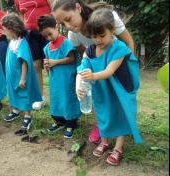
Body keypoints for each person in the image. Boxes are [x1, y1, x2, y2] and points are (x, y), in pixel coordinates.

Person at [52, 0, 135, 143]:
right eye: (63, 24)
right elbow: (87, 57)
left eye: (68, 19)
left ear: (78, 7)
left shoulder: (109, 17)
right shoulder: (74, 36)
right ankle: (100, 125)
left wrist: (129, 68)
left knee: (119, 99)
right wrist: (84, 80)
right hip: (97, 71)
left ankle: (125, 126)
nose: (68, 27)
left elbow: (128, 43)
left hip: (117, 64)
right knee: (97, 97)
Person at [76, 8, 142, 165]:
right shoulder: (90, 50)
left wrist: (92, 76)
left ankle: (118, 148)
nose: (98, 40)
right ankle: (104, 142)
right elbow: (82, 68)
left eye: (102, 35)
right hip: (102, 90)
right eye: (94, 36)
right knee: (102, 114)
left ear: (112, 30)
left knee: (121, 114)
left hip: (119, 89)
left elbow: (109, 71)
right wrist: (78, 86)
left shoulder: (119, 48)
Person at [37, 15, 81, 138]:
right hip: (55, 80)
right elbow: (47, 61)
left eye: (50, 34)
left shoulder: (66, 42)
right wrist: (47, 65)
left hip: (67, 79)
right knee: (57, 99)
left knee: (68, 99)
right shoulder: (47, 47)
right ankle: (59, 121)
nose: (48, 38)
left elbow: (72, 58)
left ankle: (71, 123)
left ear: (56, 26)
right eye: (45, 36)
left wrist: (55, 62)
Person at [1, 13, 42, 130]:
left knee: (24, 95)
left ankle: (27, 116)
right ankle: (15, 110)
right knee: (13, 93)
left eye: (4, 29)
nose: (3, 32)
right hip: (12, 76)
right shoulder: (12, 41)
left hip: (20, 76)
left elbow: (24, 62)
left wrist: (23, 78)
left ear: (11, 29)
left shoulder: (21, 42)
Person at [14, 0, 53, 110]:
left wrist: (55, 23)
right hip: (30, 34)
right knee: (35, 65)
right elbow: (21, 15)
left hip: (47, 31)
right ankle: (40, 97)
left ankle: (56, 96)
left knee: (50, 64)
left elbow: (53, 6)